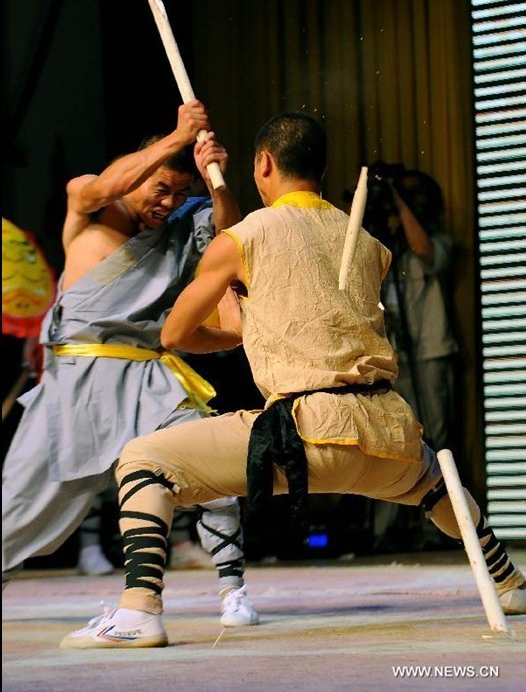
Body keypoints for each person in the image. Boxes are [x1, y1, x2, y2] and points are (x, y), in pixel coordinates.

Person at [60, 111, 525, 649]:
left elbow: (174, 334)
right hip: (389, 436)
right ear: (320, 169)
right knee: (436, 485)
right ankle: (509, 582)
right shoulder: (368, 243)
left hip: (304, 437)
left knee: (144, 459)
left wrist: (228, 310)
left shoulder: (246, 236)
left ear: (263, 163)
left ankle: (138, 612)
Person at [2, 99, 259, 627]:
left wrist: (216, 184)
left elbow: (228, 239)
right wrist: (178, 137)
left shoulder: (180, 227)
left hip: (148, 377)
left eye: (180, 194)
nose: (168, 203)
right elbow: (101, 188)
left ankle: (233, 591)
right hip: (77, 382)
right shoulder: (90, 204)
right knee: (21, 504)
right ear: (141, 169)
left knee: (214, 464)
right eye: (160, 188)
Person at [363, 165, 461, 551]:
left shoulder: (440, 244)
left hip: (433, 353)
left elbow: (425, 250)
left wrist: (398, 201)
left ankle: (443, 529)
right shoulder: (391, 253)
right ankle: (386, 531)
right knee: (395, 442)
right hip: (398, 360)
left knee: (438, 438)